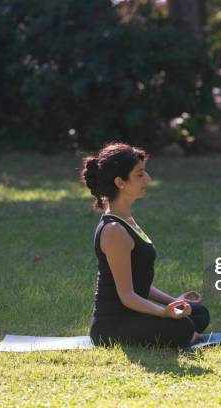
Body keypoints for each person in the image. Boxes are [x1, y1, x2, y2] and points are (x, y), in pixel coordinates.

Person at [80, 142, 210, 347]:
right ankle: (184, 332)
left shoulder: (127, 220)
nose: (147, 179)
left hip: (135, 314)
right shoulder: (114, 231)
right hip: (113, 325)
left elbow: (140, 284)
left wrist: (172, 302)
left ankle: (181, 328)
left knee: (200, 313)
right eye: (139, 175)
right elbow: (127, 295)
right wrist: (163, 313)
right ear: (120, 182)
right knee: (183, 327)